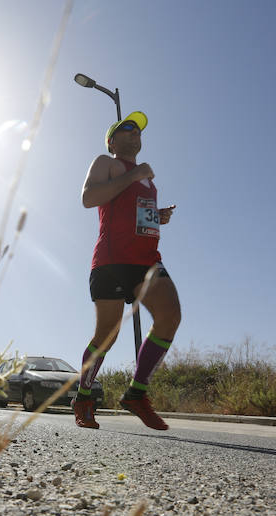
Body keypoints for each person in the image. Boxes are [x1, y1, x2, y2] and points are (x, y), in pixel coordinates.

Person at [72, 111, 181, 430]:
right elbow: (89, 198)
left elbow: (129, 209)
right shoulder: (106, 163)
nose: (136, 133)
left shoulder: (147, 177)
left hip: (146, 258)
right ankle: (83, 397)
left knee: (170, 316)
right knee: (107, 334)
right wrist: (131, 177)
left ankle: (136, 393)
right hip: (111, 260)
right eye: (128, 128)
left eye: (139, 131)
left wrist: (156, 216)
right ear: (112, 141)